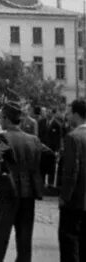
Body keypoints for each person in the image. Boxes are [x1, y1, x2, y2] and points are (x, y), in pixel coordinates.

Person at [0, 100, 51, 262]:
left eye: (1, 118)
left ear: (5, 118)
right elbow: (49, 155)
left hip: (9, 192)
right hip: (29, 193)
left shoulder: (4, 137)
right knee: (25, 239)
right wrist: (37, 174)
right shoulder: (33, 139)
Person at [58, 98, 86, 261]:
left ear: (76, 114)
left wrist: (64, 197)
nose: (67, 116)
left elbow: (71, 171)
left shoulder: (73, 137)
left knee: (70, 245)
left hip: (75, 202)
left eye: (69, 113)